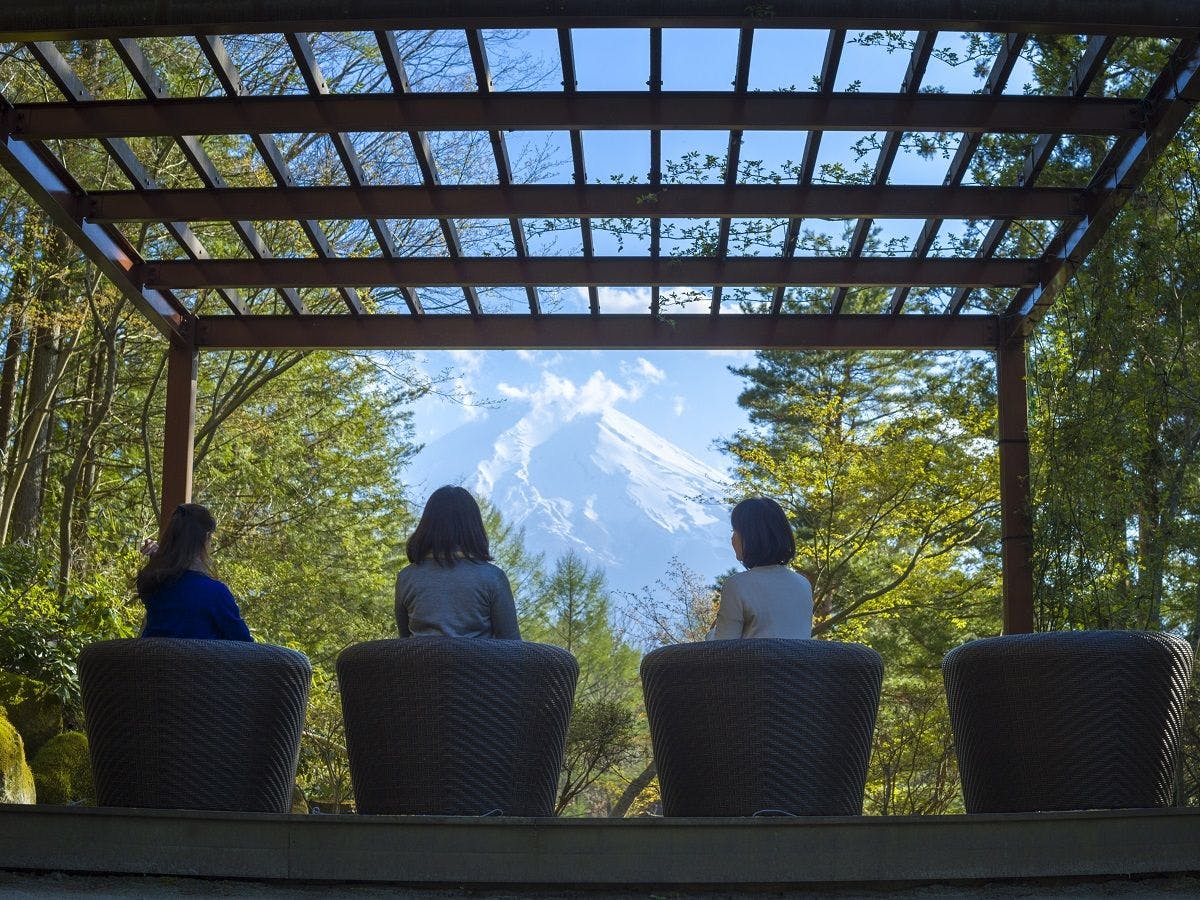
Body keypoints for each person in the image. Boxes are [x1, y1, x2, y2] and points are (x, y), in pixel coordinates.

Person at [395, 485, 521, 640]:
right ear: (474, 527)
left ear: (427, 525)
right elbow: (512, 645)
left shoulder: (406, 578)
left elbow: (404, 643)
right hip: (477, 657)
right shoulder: (493, 578)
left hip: (421, 657)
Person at [136, 502, 253, 642]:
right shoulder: (215, 593)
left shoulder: (153, 587)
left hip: (154, 657)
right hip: (202, 658)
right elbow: (246, 646)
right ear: (206, 538)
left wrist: (158, 559)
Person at [707, 497, 813, 640]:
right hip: (797, 656)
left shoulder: (737, 585)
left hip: (752, 657)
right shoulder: (803, 584)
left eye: (735, 531)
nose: (732, 538)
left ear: (751, 536)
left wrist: (710, 634)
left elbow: (722, 648)